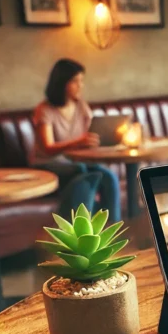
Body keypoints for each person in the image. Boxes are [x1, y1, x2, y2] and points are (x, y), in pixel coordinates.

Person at [33, 58, 121, 219]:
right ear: (61, 83)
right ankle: (80, 231)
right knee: (83, 172)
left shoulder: (81, 105)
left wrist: (106, 137)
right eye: (75, 81)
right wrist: (79, 142)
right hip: (48, 165)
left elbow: (92, 132)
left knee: (108, 176)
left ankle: (114, 230)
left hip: (77, 162)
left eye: (81, 80)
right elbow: (47, 148)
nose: (80, 85)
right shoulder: (44, 110)